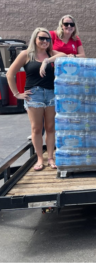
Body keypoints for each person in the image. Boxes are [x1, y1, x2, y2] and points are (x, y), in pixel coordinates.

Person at [7, 28, 66, 171]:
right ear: (35, 38)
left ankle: (51, 157)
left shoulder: (51, 53)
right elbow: (10, 74)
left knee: (51, 128)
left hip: (52, 94)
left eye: (47, 39)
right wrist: (16, 94)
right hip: (35, 95)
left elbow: (65, 55)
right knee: (36, 128)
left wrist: (47, 60)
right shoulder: (26, 54)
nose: (45, 41)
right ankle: (40, 158)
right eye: (41, 38)